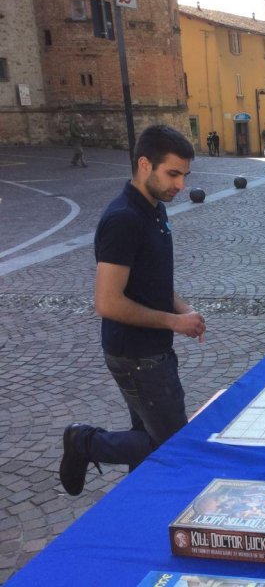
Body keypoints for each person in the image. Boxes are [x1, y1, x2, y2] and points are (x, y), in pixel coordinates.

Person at [59, 125, 205, 496]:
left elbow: (152, 281)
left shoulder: (154, 210)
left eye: (184, 176)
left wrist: (183, 309)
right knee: (173, 445)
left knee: (148, 437)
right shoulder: (124, 218)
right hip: (135, 355)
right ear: (144, 164)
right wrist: (175, 321)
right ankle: (84, 443)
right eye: (173, 174)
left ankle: (142, 505)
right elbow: (107, 302)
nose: (180, 185)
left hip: (153, 350)